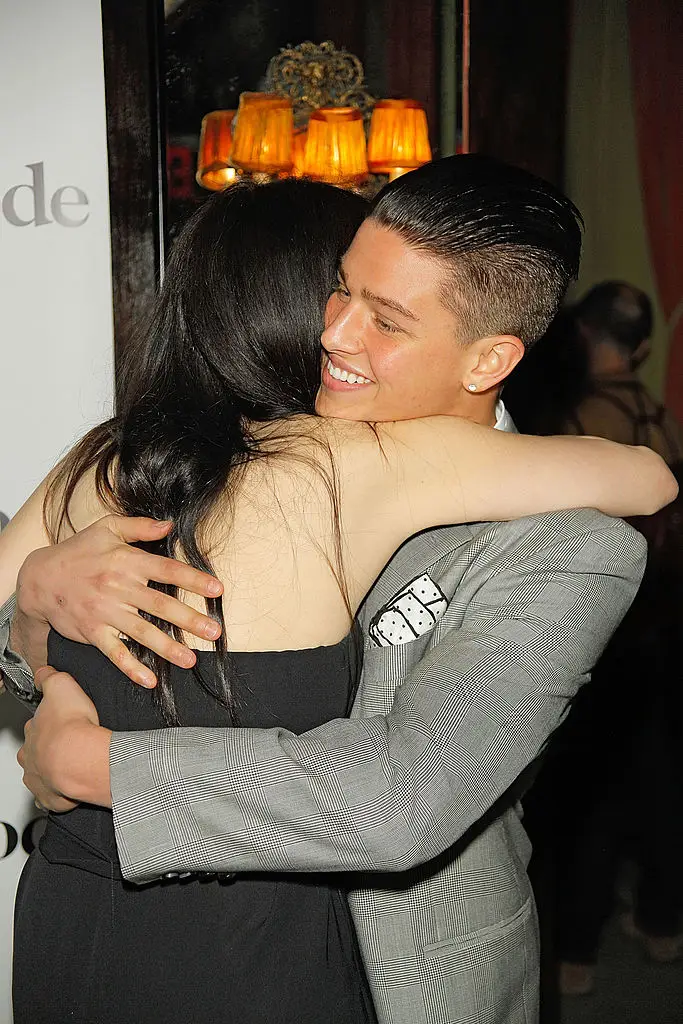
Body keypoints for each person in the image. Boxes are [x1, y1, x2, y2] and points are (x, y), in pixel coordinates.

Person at [1, 158, 673, 1024]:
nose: (335, 333)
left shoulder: (569, 546)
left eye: (385, 318)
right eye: (339, 290)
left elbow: (402, 796)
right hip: (151, 926)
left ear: (490, 358)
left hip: (389, 968)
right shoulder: (255, 453)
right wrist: (36, 610)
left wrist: (96, 767)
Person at [512, 282, 683, 998]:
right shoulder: (653, 411)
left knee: (591, 793)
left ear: (581, 335)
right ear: (641, 346)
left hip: (605, 624)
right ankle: (661, 920)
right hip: (661, 623)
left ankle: (575, 951)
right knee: (657, 777)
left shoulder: (580, 420)